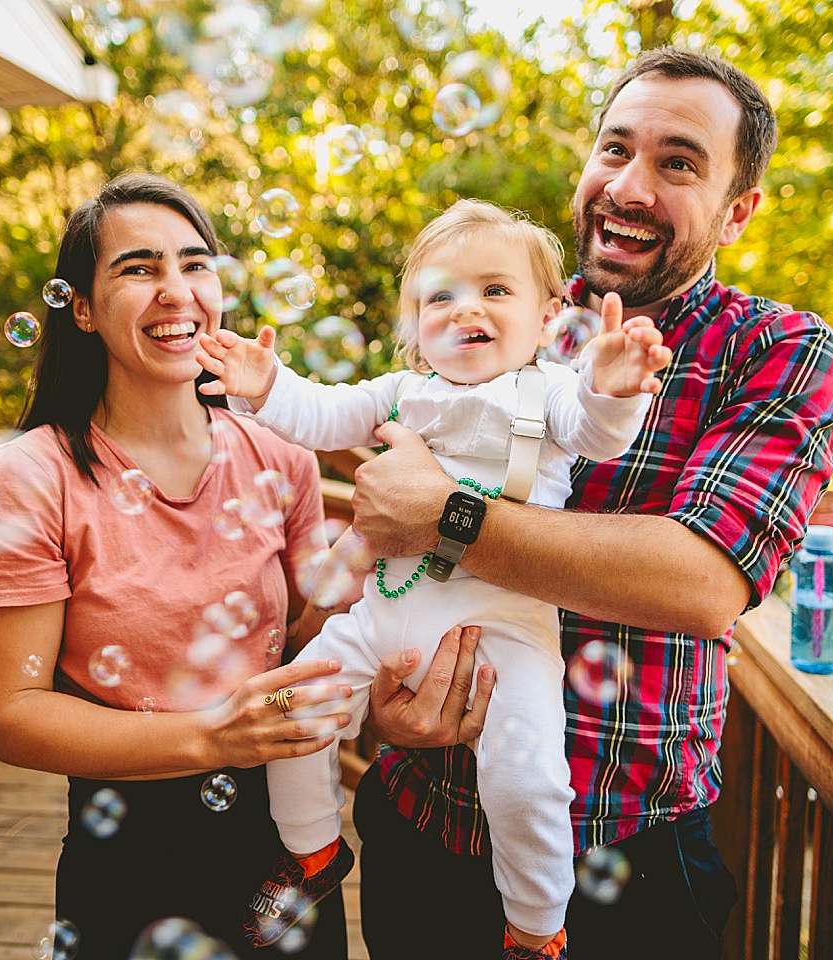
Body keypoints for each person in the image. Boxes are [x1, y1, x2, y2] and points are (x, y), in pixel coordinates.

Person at [347, 48, 833, 959]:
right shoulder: (489, 316)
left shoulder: (779, 351)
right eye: (614, 149)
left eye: (678, 163)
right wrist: (379, 704)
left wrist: (447, 517)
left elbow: (702, 581)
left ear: (739, 211)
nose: (628, 185)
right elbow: (378, 533)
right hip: (422, 816)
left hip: (630, 856)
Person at [195, 199, 671, 958]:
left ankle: (536, 928)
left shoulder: (545, 390)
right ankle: (313, 848)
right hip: (387, 615)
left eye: (494, 290)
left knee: (527, 779)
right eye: (439, 296)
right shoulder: (400, 391)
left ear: (551, 314)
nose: (465, 309)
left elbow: (594, 431)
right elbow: (320, 415)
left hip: (503, 626)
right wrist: (268, 384)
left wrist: (611, 387)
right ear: (414, 323)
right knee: (291, 705)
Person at [0, 173, 364, 960]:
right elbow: (9, 712)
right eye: (138, 268)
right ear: (80, 308)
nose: (176, 290)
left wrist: (375, 542)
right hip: (129, 847)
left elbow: (311, 636)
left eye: (195, 263)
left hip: (288, 830)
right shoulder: (31, 478)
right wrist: (215, 738)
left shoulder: (282, 454)